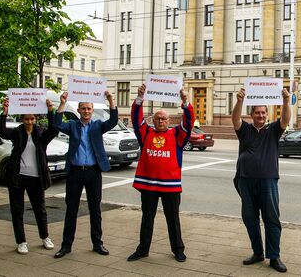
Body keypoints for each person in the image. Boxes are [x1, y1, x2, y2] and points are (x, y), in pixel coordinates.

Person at [127, 84, 194, 263]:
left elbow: (189, 121)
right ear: (153, 120)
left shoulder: (177, 134)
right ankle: (142, 250)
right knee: (147, 218)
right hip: (148, 185)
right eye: (157, 119)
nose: (160, 121)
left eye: (164, 119)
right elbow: (135, 119)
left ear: (169, 121)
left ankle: (178, 249)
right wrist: (140, 98)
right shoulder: (146, 132)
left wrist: (185, 102)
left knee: (173, 219)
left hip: (170, 186)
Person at [232, 87, 291, 273]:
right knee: (250, 218)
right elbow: (235, 119)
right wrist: (240, 101)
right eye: (257, 112)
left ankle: (274, 257)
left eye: (264, 112)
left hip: (268, 181)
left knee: (271, 218)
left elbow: (286, 119)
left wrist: (286, 101)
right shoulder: (245, 130)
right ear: (251, 115)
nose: (261, 115)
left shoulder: (273, 130)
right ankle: (257, 252)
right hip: (245, 180)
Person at [52, 91, 117, 258]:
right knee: (71, 210)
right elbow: (57, 124)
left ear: (92, 109)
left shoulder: (97, 126)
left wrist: (111, 100)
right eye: (83, 108)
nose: (86, 111)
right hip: (75, 172)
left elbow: (113, 121)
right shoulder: (73, 125)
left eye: (89, 108)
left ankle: (97, 243)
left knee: (95, 209)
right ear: (79, 110)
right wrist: (62, 103)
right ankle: (66, 245)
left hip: (93, 172)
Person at [0, 97, 58, 254]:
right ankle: (21, 241)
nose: (29, 122)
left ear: (35, 119)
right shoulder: (17, 133)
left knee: (40, 209)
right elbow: (2, 131)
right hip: (18, 177)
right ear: (22, 119)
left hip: (36, 177)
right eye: (26, 119)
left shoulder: (41, 133)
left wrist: (50, 111)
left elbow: (54, 130)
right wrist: (4, 111)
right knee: (17, 210)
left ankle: (45, 237)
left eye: (32, 118)